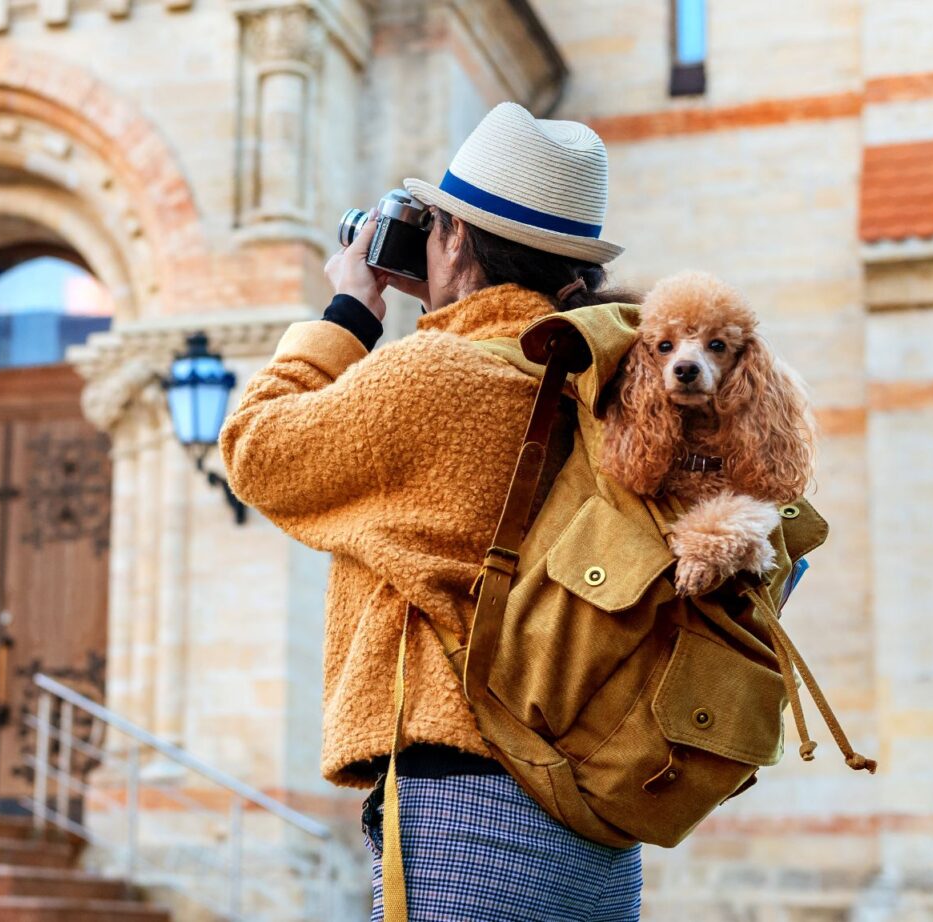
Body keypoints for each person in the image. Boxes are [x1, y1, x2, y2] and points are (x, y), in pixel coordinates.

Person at [218, 102, 645, 921]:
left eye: (439, 226)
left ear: (454, 240)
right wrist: (446, 306)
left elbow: (255, 449)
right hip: (598, 811)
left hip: (464, 804)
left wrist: (351, 311)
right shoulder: (616, 383)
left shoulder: (434, 378)